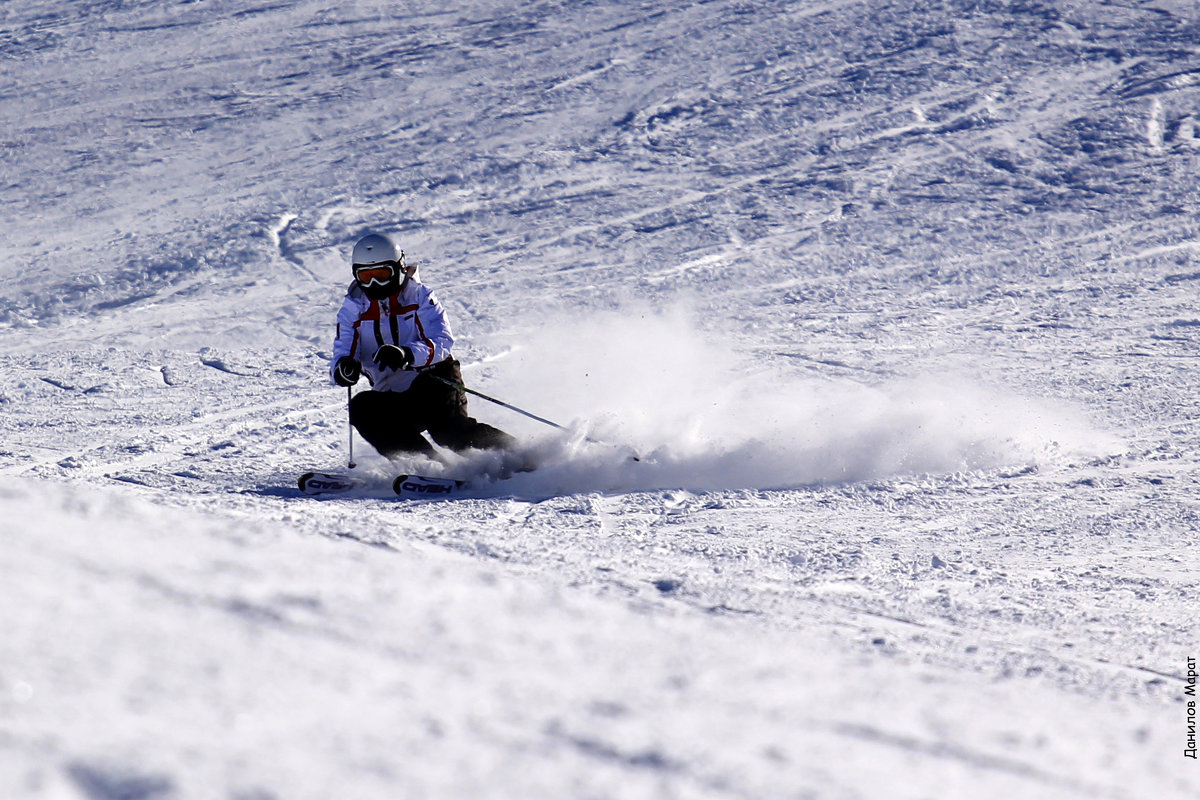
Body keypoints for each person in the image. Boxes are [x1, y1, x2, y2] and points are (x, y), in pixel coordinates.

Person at [330, 233, 516, 460]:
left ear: (399, 268)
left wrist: (406, 354)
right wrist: (343, 368)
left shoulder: (420, 296)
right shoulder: (352, 309)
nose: (374, 284)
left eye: (381, 274)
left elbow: (442, 341)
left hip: (433, 380)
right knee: (362, 407)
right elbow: (343, 350)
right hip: (392, 393)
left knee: (449, 432)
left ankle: (518, 455)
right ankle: (427, 465)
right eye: (366, 276)